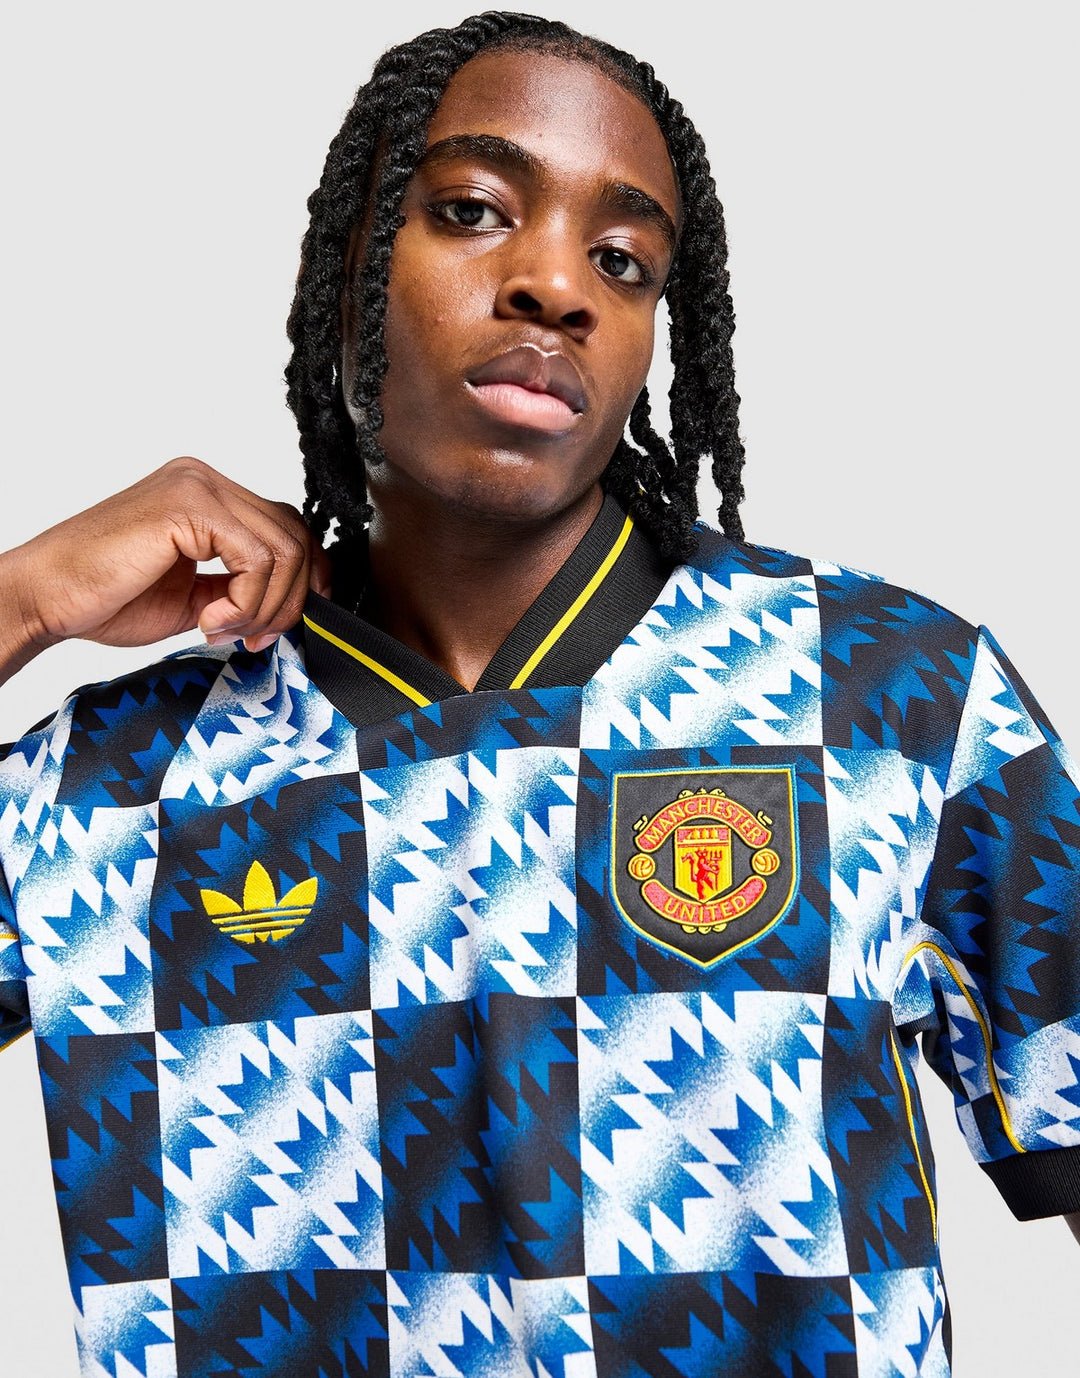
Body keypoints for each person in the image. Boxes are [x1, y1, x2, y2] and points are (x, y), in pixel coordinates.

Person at [1, 10, 1078, 1376]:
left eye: (622, 261)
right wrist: (21, 599)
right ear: (349, 262)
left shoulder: (892, 702)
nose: (558, 286)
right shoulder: (105, 784)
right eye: (473, 210)